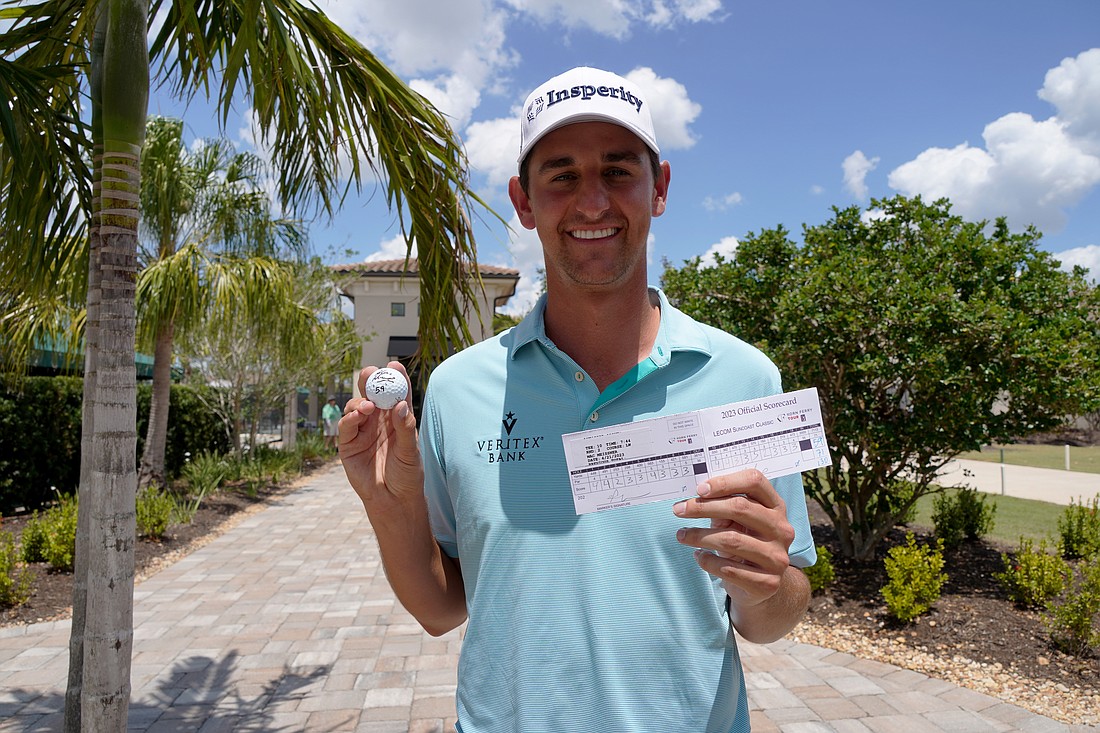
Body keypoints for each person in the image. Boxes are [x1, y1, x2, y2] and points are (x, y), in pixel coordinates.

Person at [339, 66, 817, 733]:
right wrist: (389, 509)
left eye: (618, 171)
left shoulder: (744, 377)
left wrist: (767, 583)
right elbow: (442, 608)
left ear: (660, 189)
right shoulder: (456, 388)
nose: (592, 202)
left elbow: (776, 612)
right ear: (524, 201)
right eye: (562, 175)